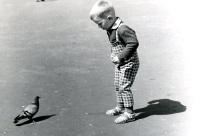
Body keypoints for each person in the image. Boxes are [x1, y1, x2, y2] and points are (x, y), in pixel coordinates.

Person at [89, 0, 140, 124]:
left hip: (129, 63)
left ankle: (129, 113)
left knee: (124, 86)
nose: (99, 27)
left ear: (110, 18)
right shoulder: (111, 27)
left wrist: (120, 57)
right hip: (120, 63)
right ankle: (120, 107)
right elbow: (116, 44)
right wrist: (114, 55)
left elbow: (133, 43)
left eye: (100, 23)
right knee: (117, 84)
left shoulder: (122, 29)